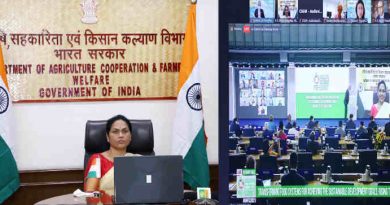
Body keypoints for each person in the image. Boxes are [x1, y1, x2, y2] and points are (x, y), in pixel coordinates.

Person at [84, 115, 139, 203]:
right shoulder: (97, 160)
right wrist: (109, 198)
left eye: (125, 131)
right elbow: (90, 194)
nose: (121, 135)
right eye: (115, 132)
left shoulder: (139, 161)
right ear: (107, 137)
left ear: (130, 136)